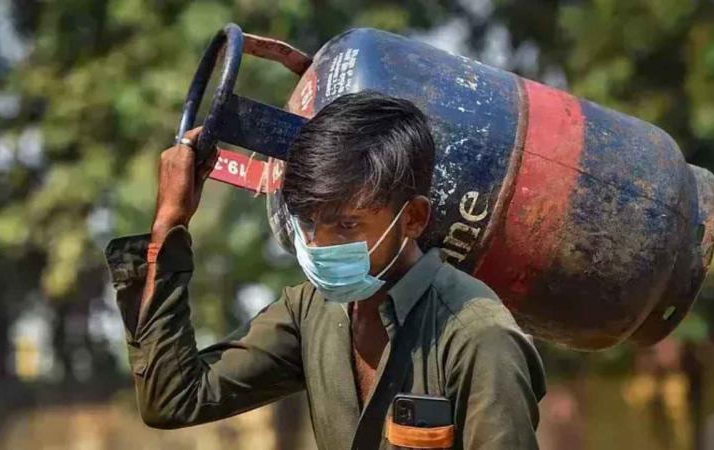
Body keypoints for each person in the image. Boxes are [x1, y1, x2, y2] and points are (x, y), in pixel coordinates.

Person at [105, 91, 546, 449]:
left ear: (412, 218)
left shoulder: (478, 338)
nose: (318, 245)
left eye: (346, 225)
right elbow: (174, 399)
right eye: (309, 223)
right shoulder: (311, 311)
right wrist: (170, 223)